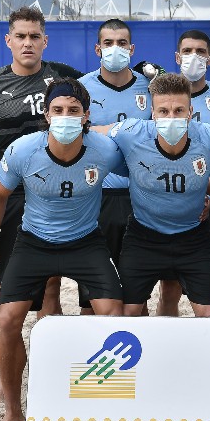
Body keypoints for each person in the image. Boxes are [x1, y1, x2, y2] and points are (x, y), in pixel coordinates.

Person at [0, 78, 125, 421]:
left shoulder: (106, 151)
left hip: (85, 242)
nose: (65, 116)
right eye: (58, 110)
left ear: (86, 116)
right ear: (46, 115)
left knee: (113, 315)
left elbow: (145, 170)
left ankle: (98, 400)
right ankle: (13, 411)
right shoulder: (24, 150)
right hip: (34, 242)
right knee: (7, 320)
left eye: (73, 110)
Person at [0, 7, 83, 401]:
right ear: (8, 40)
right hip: (8, 196)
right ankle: (6, 380)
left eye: (34, 36)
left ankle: (48, 374)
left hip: (58, 192)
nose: (27, 43)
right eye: (20, 36)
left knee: (51, 286)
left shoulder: (66, 78)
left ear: (45, 40)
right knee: (6, 292)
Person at [104, 74, 210, 317]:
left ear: (190, 112)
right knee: (126, 314)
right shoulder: (130, 132)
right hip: (143, 237)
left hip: (193, 238)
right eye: (163, 111)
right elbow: (91, 135)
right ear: (152, 113)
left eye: (178, 110)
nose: (171, 117)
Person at [156, 29, 210, 315]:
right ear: (177, 57)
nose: (194, 57)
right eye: (187, 51)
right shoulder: (162, 96)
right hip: (171, 200)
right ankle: (167, 340)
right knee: (169, 289)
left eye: (201, 52)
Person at [78, 18, 150, 315]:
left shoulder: (150, 86)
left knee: (137, 300)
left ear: (131, 49)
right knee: (92, 299)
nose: (115, 48)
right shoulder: (82, 87)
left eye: (122, 43)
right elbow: (75, 133)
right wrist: (119, 129)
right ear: (98, 49)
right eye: (108, 43)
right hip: (97, 198)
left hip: (141, 197)